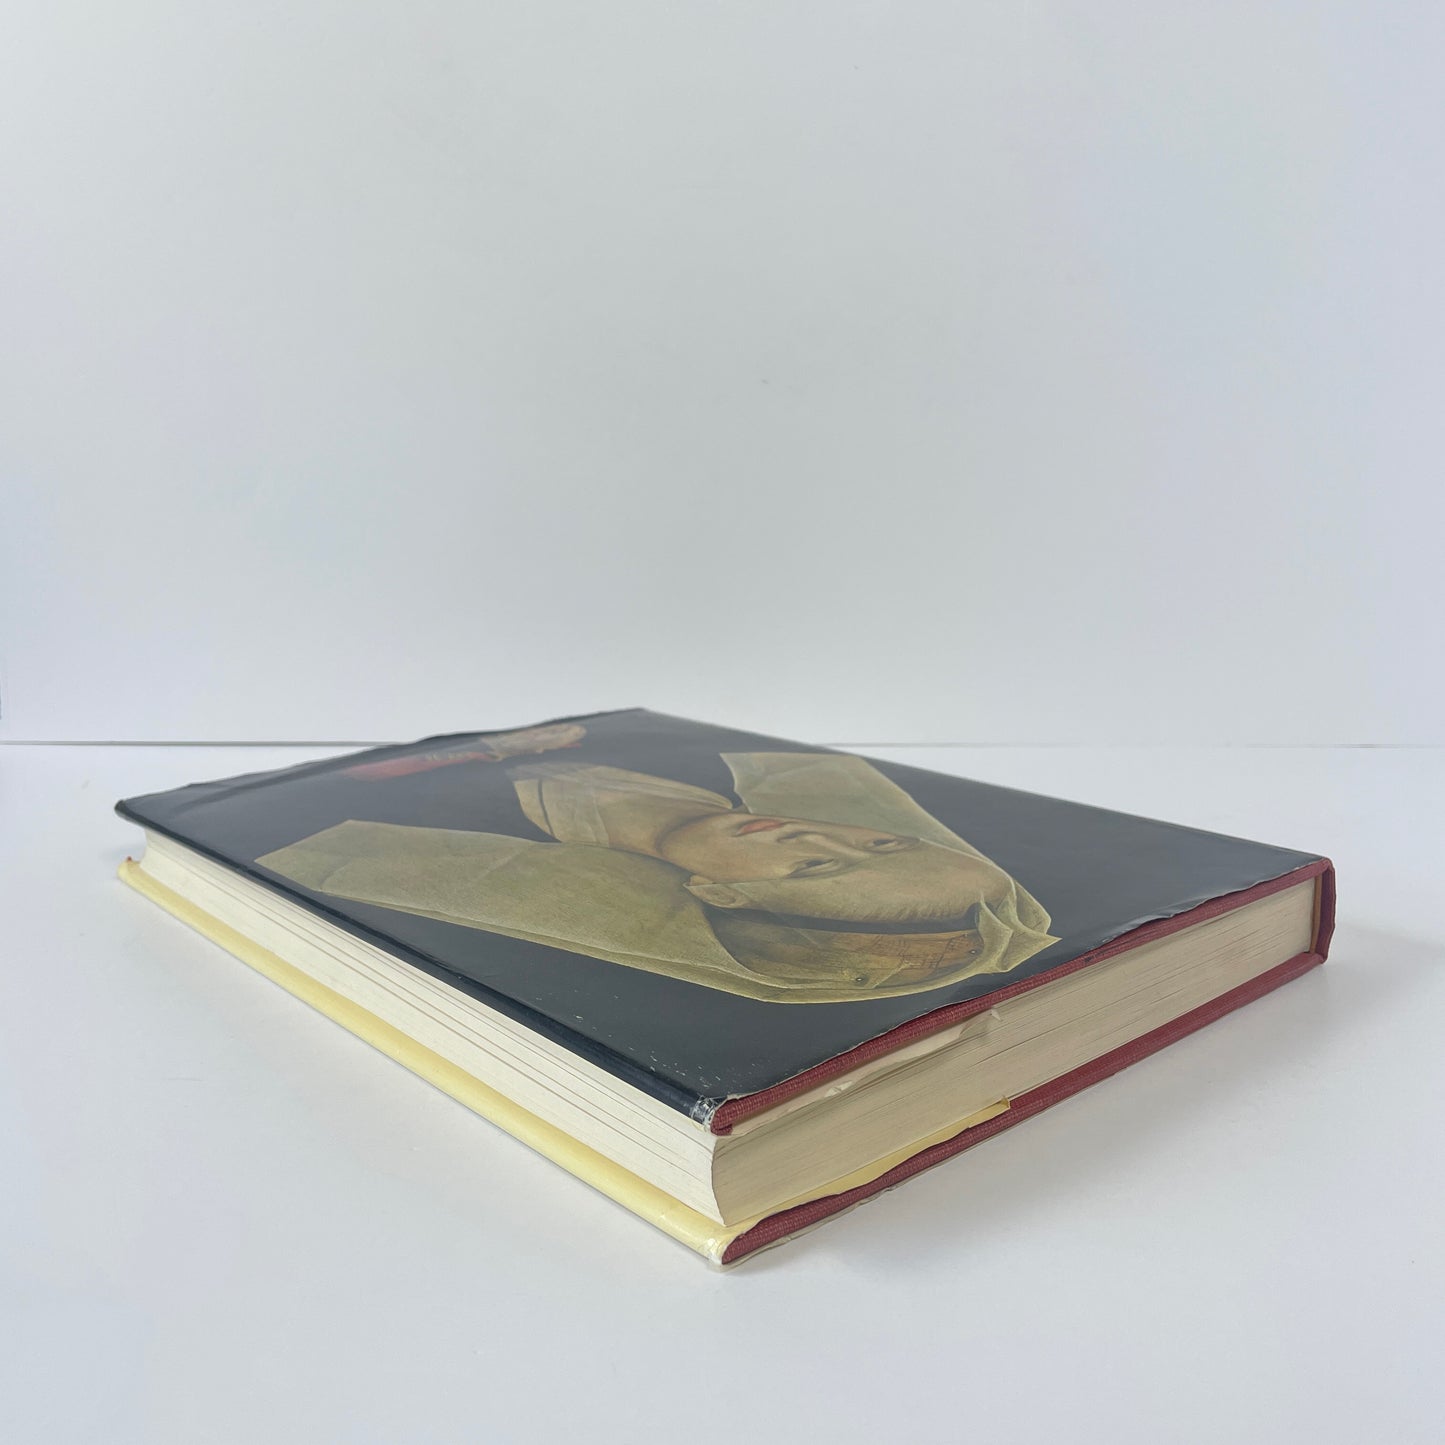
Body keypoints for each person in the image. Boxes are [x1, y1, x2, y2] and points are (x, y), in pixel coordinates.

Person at [257, 752, 1057, 1004]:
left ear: (723, 896)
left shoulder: (427, 832)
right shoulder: (711, 762)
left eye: (815, 865)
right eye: (882, 842)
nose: (812, 831)